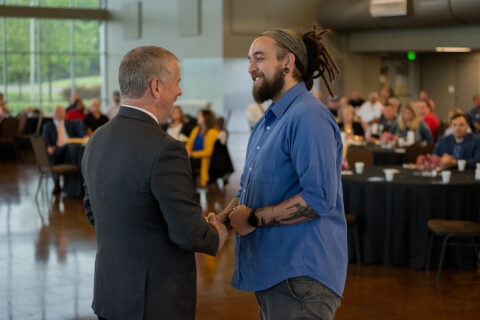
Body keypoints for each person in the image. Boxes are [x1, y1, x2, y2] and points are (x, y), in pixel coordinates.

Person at [81, 46, 227, 320]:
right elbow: (188, 233)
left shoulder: (96, 139)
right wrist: (217, 233)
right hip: (154, 301)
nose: (180, 92)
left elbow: (93, 213)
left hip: (109, 296)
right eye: (177, 82)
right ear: (157, 86)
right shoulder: (165, 149)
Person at [217, 27, 347, 320]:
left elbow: (318, 198)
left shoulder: (308, 116)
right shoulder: (270, 120)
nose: (251, 67)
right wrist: (225, 219)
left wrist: (252, 218)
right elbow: (249, 190)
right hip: (276, 271)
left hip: (301, 276)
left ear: (287, 62)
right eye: (250, 59)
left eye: (259, 58)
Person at [185, 109, 218, 187]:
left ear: (206, 118)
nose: (197, 117)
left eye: (200, 116)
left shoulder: (213, 132)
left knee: (183, 165)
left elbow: (208, 152)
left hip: (203, 160)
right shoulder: (196, 129)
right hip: (192, 157)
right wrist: (187, 151)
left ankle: (187, 190)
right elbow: (189, 143)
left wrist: (191, 154)